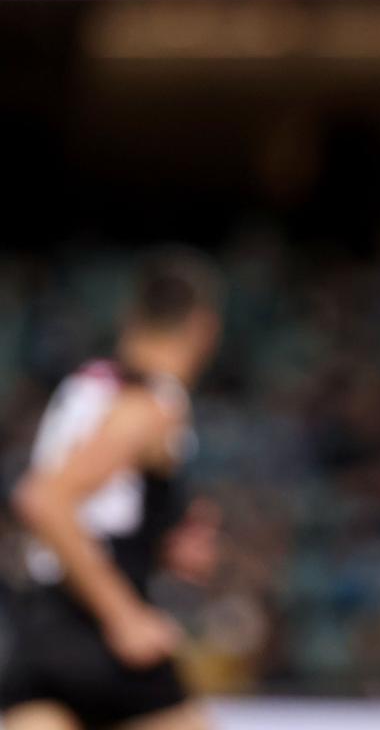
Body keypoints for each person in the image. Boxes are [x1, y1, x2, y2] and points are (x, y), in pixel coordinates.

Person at [1, 248, 223, 730]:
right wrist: (123, 616)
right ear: (204, 327)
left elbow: (98, 508)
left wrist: (165, 545)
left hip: (40, 624)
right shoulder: (147, 405)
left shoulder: (85, 385)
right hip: (94, 628)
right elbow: (42, 499)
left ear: (132, 317)